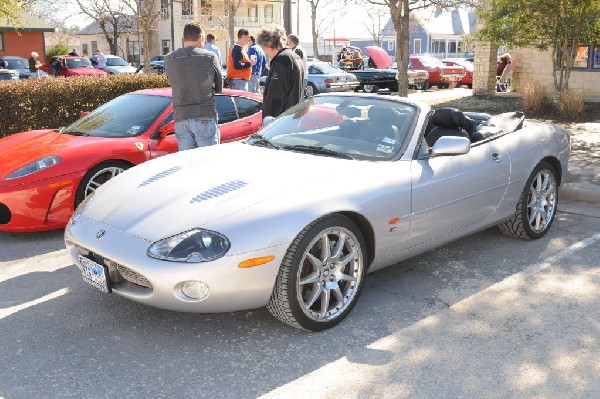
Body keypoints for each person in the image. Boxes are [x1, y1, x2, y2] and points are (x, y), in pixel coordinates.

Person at [165, 22, 223, 150]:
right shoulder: (209, 56)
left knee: (188, 164)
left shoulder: (169, 59)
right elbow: (219, 87)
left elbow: (172, 82)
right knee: (208, 162)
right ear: (201, 37)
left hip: (181, 116)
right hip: (204, 114)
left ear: (184, 38)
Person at [257, 26, 305, 118]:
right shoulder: (295, 57)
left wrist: (269, 120)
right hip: (292, 115)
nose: (265, 52)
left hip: (280, 121)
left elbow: (276, 97)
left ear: (269, 44)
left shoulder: (281, 60)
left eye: (264, 48)